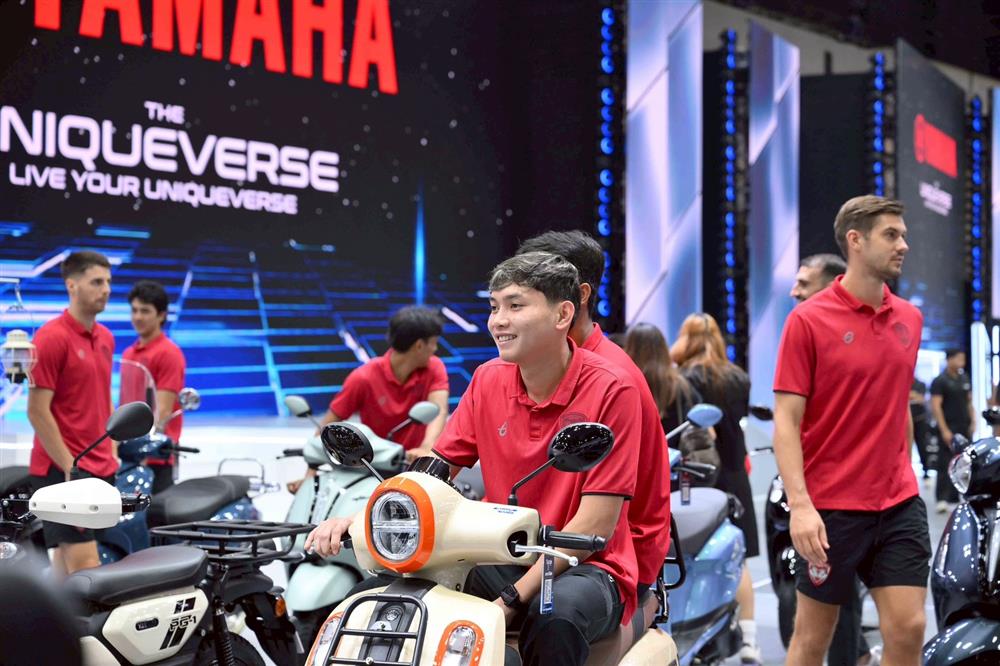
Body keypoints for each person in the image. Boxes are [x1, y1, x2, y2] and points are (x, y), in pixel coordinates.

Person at [307, 252, 643, 666]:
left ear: (563, 314)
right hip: (503, 553)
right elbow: (433, 470)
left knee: (555, 619)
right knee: (375, 598)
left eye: (515, 306)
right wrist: (361, 518)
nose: (498, 321)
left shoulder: (613, 389)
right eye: (494, 307)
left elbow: (595, 524)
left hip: (583, 564)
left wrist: (512, 599)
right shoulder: (487, 379)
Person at [773, 195, 929, 666]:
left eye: (903, 235)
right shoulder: (807, 320)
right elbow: (787, 421)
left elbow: (898, 405)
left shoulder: (911, 318)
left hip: (898, 504)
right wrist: (801, 507)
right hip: (831, 510)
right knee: (812, 639)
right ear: (856, 241)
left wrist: (904, 470)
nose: (903, 245)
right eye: (891, 235)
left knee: (909, 629)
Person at [516, 230, 670, 601]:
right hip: (545, 540)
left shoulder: (615, 379)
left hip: (611, 555)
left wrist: (513, 596)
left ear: (578, 297)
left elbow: (600, 522)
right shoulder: (517, 370)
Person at [793, 254, 876, 666]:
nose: (794, 291)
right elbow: (788, 420)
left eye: (803, 284)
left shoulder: (862, 340)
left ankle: (856, 655)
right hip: (815, 492)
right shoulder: (801, 332)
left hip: (852, 496)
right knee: (813, 622)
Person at [670, 312, 761, 664]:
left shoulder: (684, 379)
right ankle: (750, 639)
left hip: (700, 478)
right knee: (739, 558)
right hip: (736, 473)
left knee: (697, 559)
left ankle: (700, 632)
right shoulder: (738, 377)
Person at [287, 306, 449, 493]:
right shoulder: (363, 377)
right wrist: (310, 477)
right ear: (419, 345)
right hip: (372, 470)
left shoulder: (434, 367)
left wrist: (426, 449)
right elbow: (327, 428)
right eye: (434, 343)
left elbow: (438, 410)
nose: (435, 349)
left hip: (415, 468)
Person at [27, 251, 115, 575]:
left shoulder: (106, 338)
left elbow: (103, 398)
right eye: (96, 282)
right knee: (87, 570)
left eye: (108, 282)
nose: (106, 289)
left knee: (67, 571)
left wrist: (113, 450)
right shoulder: (51, 338)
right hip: (62, 470)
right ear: (71, 285)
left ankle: (43, 612)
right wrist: (70, 467)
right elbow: (37, 411)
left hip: (99, 466)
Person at [122, 280, 187, 493]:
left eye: (145, 311)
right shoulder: (129, 354)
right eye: (134, 310)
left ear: (161, 315)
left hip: (157, 456)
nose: (138, 317)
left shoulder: (169, 353)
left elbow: (163, 411)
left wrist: (143, 450)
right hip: (128, 454)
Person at [622, 321, 700, 436]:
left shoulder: (624, 384)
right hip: (672, 447)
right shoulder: (681, 386)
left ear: (629, 349)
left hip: (636, 446)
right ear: (663, 349)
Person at [930, 349, 976, 513]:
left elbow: (969, 401)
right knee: (945, 462)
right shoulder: (940, 381)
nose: (962, 362)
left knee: (964, 462)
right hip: (949, 426)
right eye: (958, 358)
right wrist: (944, 430)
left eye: (963, 358)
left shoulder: (964, 378)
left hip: (964, 425)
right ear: (949, 359)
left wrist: (973, 420)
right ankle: (942, 498)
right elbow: (936, 406)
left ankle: (956, 497)